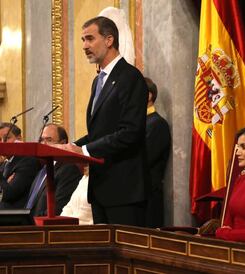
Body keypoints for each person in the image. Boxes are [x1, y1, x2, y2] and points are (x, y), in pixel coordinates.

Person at [59, 16, 149, 226]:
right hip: (101, 190)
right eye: (82, 40)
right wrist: (70, 147)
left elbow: (130, 132)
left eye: (90, 39)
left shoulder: (130, 77)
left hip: (125, 192)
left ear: (109, 40)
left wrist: (85, 151)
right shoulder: (98, 81)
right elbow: (101, 131)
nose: (84, 46)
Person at [26, 124, 82, 216]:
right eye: (41, 140)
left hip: (44, 228)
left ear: (63, 143)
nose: (43, 144)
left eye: (49, 140)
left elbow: (58, 208)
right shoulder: (42, 170)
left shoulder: (68, 169)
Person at [144, 77, 171, 228]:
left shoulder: (157, 124)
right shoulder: (138, 123)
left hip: (149, 196)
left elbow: (145, 158)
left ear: (148, 96)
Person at [0, 123, 41, 209]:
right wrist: (5, 183)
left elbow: (8, 194)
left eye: (7, 138)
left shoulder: (28, 161)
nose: (2, 143)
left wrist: (5, 185)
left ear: (19, 139)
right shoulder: (5, 163)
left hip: (16, 217)